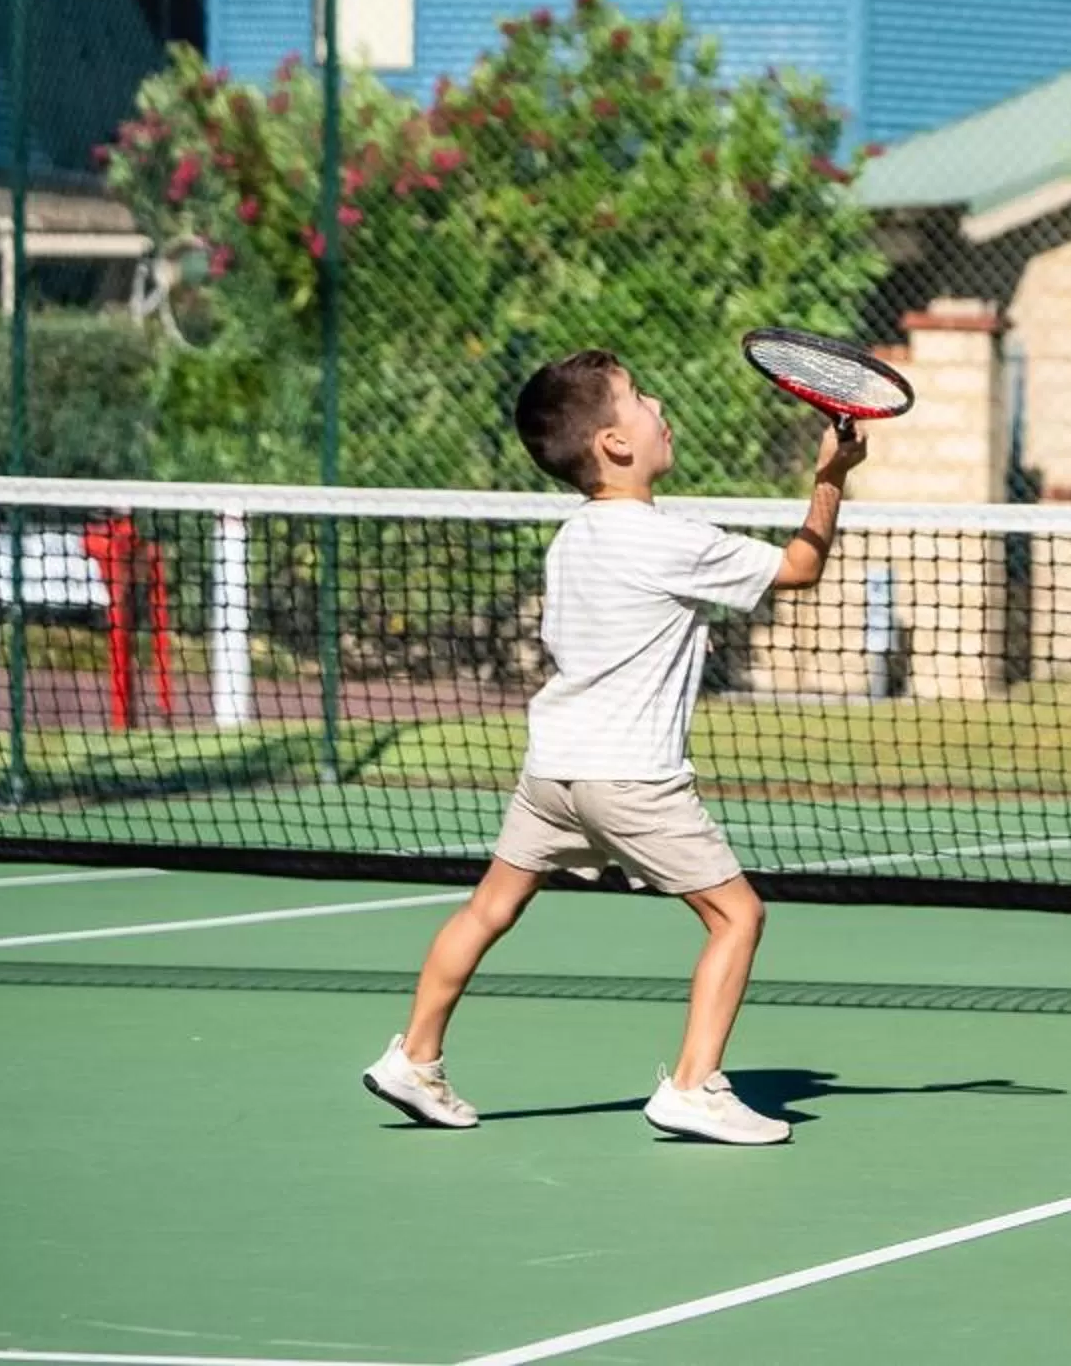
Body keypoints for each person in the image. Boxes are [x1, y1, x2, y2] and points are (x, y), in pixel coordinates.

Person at [360, 350, 865, 1145]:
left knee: (490, 907)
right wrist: (832, 475)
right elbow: (801, 567)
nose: (659, 403)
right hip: (635, 778)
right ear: (614, 445)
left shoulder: (570, 541)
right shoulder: (674, 541)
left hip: (553, 772)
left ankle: (414, 1058)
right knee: (737, 917)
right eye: (637, 397)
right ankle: (693, 1087)